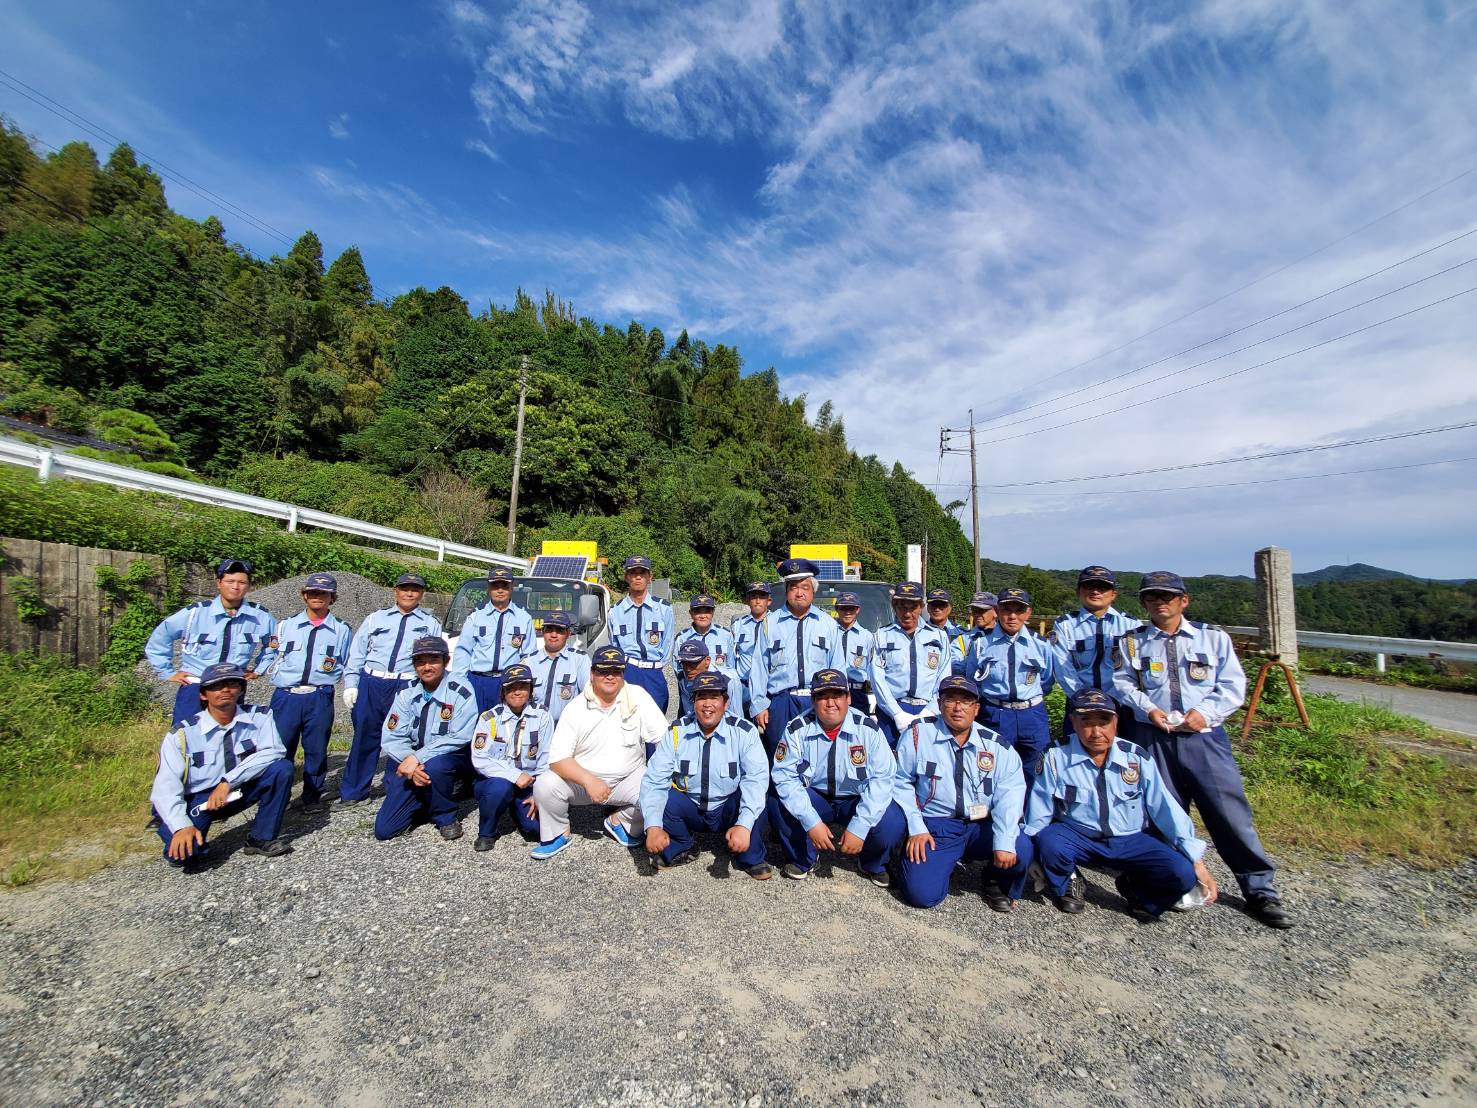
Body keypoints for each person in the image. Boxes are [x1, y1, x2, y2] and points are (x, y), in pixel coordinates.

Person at [1113, 571, 1292, 929]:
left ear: (1184, 600)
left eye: (1168, 595)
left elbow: (1231, 685)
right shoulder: (1131, 641)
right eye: (1152, 596)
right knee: (1163, 815)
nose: (1160, 601)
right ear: (1144, 602)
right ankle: (1171, 883)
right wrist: (1149, 709)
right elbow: (1121, 682)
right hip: (1154, 736)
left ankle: (1260, 889)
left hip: (1204, 739)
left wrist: (1204, 714)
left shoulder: (1212, 638)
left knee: (1229, 815)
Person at [1027, 688, 1218, 921]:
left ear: (1115, 722)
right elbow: (1039, 810)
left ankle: (1138, 889)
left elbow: (1165, 809)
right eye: (1086, 722)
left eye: (1104, 722)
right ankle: (1070, 882)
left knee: (1182, 873)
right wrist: (1034, 854)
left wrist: (1196, 861)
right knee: (1050, 842)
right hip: (1079, 836)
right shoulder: (1055, 756)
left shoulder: (1136, 758)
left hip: (1130, 838)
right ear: (1073, 722)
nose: (1096, 732)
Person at [893, 676, 1034, 912]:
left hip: (982, 826)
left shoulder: (997, 746)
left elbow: (1010, 795)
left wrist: (1004, 841)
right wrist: (916, 826)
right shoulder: (917, 736)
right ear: (939, 704)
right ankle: (925, 861)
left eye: (966, 701)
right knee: (921, 895)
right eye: (950, 700)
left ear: (977, 708)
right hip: (937, 827)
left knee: (1020, 846)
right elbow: (900, 782)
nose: (958, 708)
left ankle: (995, 879)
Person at [767, 669, 906, 886]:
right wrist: (811, 822)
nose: (830, 703)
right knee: (778, 801)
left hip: (855, 798)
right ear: (813, 700)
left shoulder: (868, 730)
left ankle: (872, 862)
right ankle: (805, 859)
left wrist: (860, 827)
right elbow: (784, 777)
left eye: (837, 695)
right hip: (816, 796)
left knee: (891, 819)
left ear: (849, 698)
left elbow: (883, 780)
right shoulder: (796, 729)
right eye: (823, 696)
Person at [530, 645, 668, 859]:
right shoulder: (576, 708)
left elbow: (663, 740)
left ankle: (621, 821)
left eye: (616, 671)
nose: (610, 677)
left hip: (628, 777)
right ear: (592, 674)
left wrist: (660, 774)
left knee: (664, 790)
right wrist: (588, 781)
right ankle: (557, 833)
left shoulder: (638, 697)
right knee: (545, 785)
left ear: (623, 674)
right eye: (603, 671)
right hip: (583, 783)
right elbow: (558, 760)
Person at [149, 662, 294, 865]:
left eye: (233, 683)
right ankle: (189, 837)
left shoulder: (260, 716)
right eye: (216, 685)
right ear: (203, 694)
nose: (225, 689)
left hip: (237, 790)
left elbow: (274, 750)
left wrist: (227, 782)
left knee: (282, 769)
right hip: (200, 800)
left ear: (241, 689)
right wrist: (181, 826)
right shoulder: (182, 734)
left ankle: (261, 838)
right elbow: (165, 788)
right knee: (185, 857)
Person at [640, 672, 773, 878]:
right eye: (701, 697)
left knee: (756, 797)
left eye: (714, 697)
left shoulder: (744, 732)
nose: (707, 704)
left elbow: (756, 780)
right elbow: (654, 780)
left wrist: (744, 825)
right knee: (666, 797)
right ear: (693, 702)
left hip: (727, 808)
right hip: (692, 807)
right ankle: (682, 845)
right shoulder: (677, 731)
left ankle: (750, 855)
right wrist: (653, 826)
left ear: (726, 703)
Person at [338, 573, 443, 807]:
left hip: (406, 685)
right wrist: (352, 684)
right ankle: (354, 792)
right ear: (395, 591)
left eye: (415, 590)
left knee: (402, 736)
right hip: (373, 683)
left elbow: (434, 659)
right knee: (365, 736)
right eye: (405, 588)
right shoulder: (376, 619)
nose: (409, 593)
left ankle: (395, 790)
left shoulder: (430, 623)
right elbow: (357, 653)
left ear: (421, 594)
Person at [145, 557, 279, 727]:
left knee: (228, 737)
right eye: (230, 581)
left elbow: (275, 644)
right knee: (186, 737)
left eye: (242, 582)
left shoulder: (260, 617)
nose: (236, 587)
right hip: (196, 688)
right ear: (219, 583)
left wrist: (259, 670)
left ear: (249, 586)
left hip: (232, 690)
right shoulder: (195, 614)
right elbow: (160, 637)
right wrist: (167, 672)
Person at [373, 636, 478, 842]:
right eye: (420, 661)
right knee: (385, 830)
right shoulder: (406, 691)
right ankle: (426, 802)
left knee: (437, 766)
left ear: (446, 661)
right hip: (411, 759)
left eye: (433, 660)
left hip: (448, 756)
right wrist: (411, 763)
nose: (426, 667)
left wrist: (418, 758)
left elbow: (460, 735)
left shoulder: (461, 691)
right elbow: (392, 736)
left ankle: (445, 817)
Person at [267, 572, 352, 812]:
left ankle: (312, 796)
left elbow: (347, 661)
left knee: (316, 748)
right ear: (305, 596)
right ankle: (277, 797)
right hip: (287, 696)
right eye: (313, 592)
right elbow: (270, 655)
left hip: (319, 695)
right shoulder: (285, 626)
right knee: (280, 747)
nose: (318, 597)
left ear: (331, 598)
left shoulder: (341, 630)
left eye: (323, 594)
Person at [748, 559, 845, 756]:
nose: (799, 593)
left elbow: (838, 667)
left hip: (818, 700)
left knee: (818, 756)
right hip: (781, 703)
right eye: (793, 587)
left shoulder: (828, 624)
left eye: (805, 587)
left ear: (813, 591)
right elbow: (759, 668)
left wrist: (838, 702)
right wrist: (759, 706)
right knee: (779, 757)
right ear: (786, 591)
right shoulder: (769, 624)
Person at [966, 586, 1055, 790]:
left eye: (1019, 610)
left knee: (1037, 769)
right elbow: (973, 680)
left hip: (1032, 715)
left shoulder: (1040, 644)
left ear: (1028, 613)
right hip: (995, 713)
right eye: (1007, 610)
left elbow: (1047, 680)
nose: (1013, 616)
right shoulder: (981, 644)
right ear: (997, 610)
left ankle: (1031, 817)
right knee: (992, 767)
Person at [470, 663, 551, 852]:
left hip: (529, 782)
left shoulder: (542, 715)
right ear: (503, 691)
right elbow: (480, 758)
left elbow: (546, 757)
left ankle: (516, 809)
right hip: (497, 781)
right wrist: (514, 775)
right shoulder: (489, 719)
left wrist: (539, 791)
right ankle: (487, 832)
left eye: (522, 687)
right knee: (500, 788)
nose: (517, 692)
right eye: (511, 687)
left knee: (535, 829)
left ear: (530, 689)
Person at [1050, 567, 1138, 737]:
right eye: (1089, 586)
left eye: (1102, 587)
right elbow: (1063, 669)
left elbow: (1132, 667)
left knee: (1124, 755)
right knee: (1076, 754)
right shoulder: (1065, 625)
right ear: (1078, 592)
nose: (1095, 591)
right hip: (1079, 702)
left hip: (1121, 702)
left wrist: (1113, 698)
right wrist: (1084, 698)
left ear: (1113, 594)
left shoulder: (1130, 625)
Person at [869, 581, 952, 748]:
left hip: (928, 710)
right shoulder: (881, 636)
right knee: (891, 762)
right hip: (891, 712)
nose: (907, 613)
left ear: (921, 606)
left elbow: (943, 678)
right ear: (894, 606)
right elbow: (877, 679)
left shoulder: (939, 637)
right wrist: (897, 714)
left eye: (912, 607)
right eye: (901, 607)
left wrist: (929, 712)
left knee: (927, 762)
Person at [451, 566, 537, 712]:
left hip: (508, 682)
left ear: (511, 588)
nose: (500, 590)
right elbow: (463, 652)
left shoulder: (524, 619)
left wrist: (525, 685)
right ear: (488, 588)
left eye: (504, 585)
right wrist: (460, 682)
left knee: (504, 725)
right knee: (474, 723)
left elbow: (528, 655)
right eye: (495, 585)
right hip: (477, 681)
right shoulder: (475, 617)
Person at [608, 555, 675, 713]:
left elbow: (667, 643)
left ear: (649, 577)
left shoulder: (664, 609)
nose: (638, 577)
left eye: (642, 573)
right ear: (626, 577)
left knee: (656, 723)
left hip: (653, 673)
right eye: (633, 573)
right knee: (626, 720)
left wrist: (657, 665)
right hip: (627, 672)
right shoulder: (615, 611)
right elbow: (614, 645)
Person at [528, 610, 589, 724]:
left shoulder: (580, 660)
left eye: (559, 630)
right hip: (534, 725)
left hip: (566, 726)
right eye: (549, 630)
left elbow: (589, 694)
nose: (553, 635)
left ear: (568, 634)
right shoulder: (529, 661)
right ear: (542, 632)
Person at [730, 581, 772, 718]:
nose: (758, 601)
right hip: (744, 687)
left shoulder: (777, 624)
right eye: (753, 597)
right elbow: (732, 655)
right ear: (748, 600)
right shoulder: (738, 625)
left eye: (762, 597)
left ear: (769, 601)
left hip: (767, 687)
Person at [674, 593, 737, 681]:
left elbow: (731, 667)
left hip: (718, 690)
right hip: (691, 689)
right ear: (691, 613)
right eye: (698, 611)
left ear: (713, 612)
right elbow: (678, 669)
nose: (703, 616)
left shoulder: (725, 635)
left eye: (707, 611)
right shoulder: (682, 638)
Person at [833, 591, 875, 714]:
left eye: (851, 608)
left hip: (858, 693)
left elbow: (872, 668)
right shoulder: (829, 632)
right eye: (843, 608)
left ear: (858, 610)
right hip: (833, 691)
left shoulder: (867, 637)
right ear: (837, 609)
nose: (847, 612)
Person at [951, 591, 997, 676]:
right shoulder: (962, 640)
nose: (977, 614)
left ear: (995, 612)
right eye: (974, 610)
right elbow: (955, 666)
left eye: (982, 610)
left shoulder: (1004, 638)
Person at [675, 638, 713, 720]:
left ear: (707, 661)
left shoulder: (728, 681)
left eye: (693, 663)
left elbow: (735, 717)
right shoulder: (682, 678)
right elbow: (685, 710)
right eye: (684, 663)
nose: (688, 669)